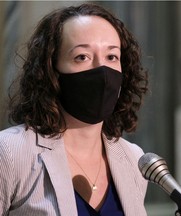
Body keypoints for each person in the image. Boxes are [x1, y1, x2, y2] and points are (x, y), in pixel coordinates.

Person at [0, 3, 149, 216]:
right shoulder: (10, 152)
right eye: (82, 57)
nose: (102, 70)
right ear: (52, 71)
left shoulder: (133, 159)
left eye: (111, 57)